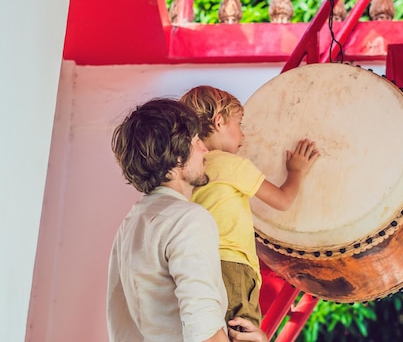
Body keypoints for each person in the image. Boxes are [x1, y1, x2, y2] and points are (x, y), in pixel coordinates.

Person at [107, 98, 267, 342]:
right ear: (176, 159)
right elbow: (203, 331)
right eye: (195, 142)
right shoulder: (188, 220)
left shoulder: (130, 224)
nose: (205, 149)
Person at [180, 86, 320, 328]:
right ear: (220, 121)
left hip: (195, 264)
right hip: (231, 265)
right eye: (239, 123)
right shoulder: (230, 164)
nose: (243, 136)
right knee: (241, 330)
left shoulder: (186, 170)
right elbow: (283, 200)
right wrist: (296, 171)